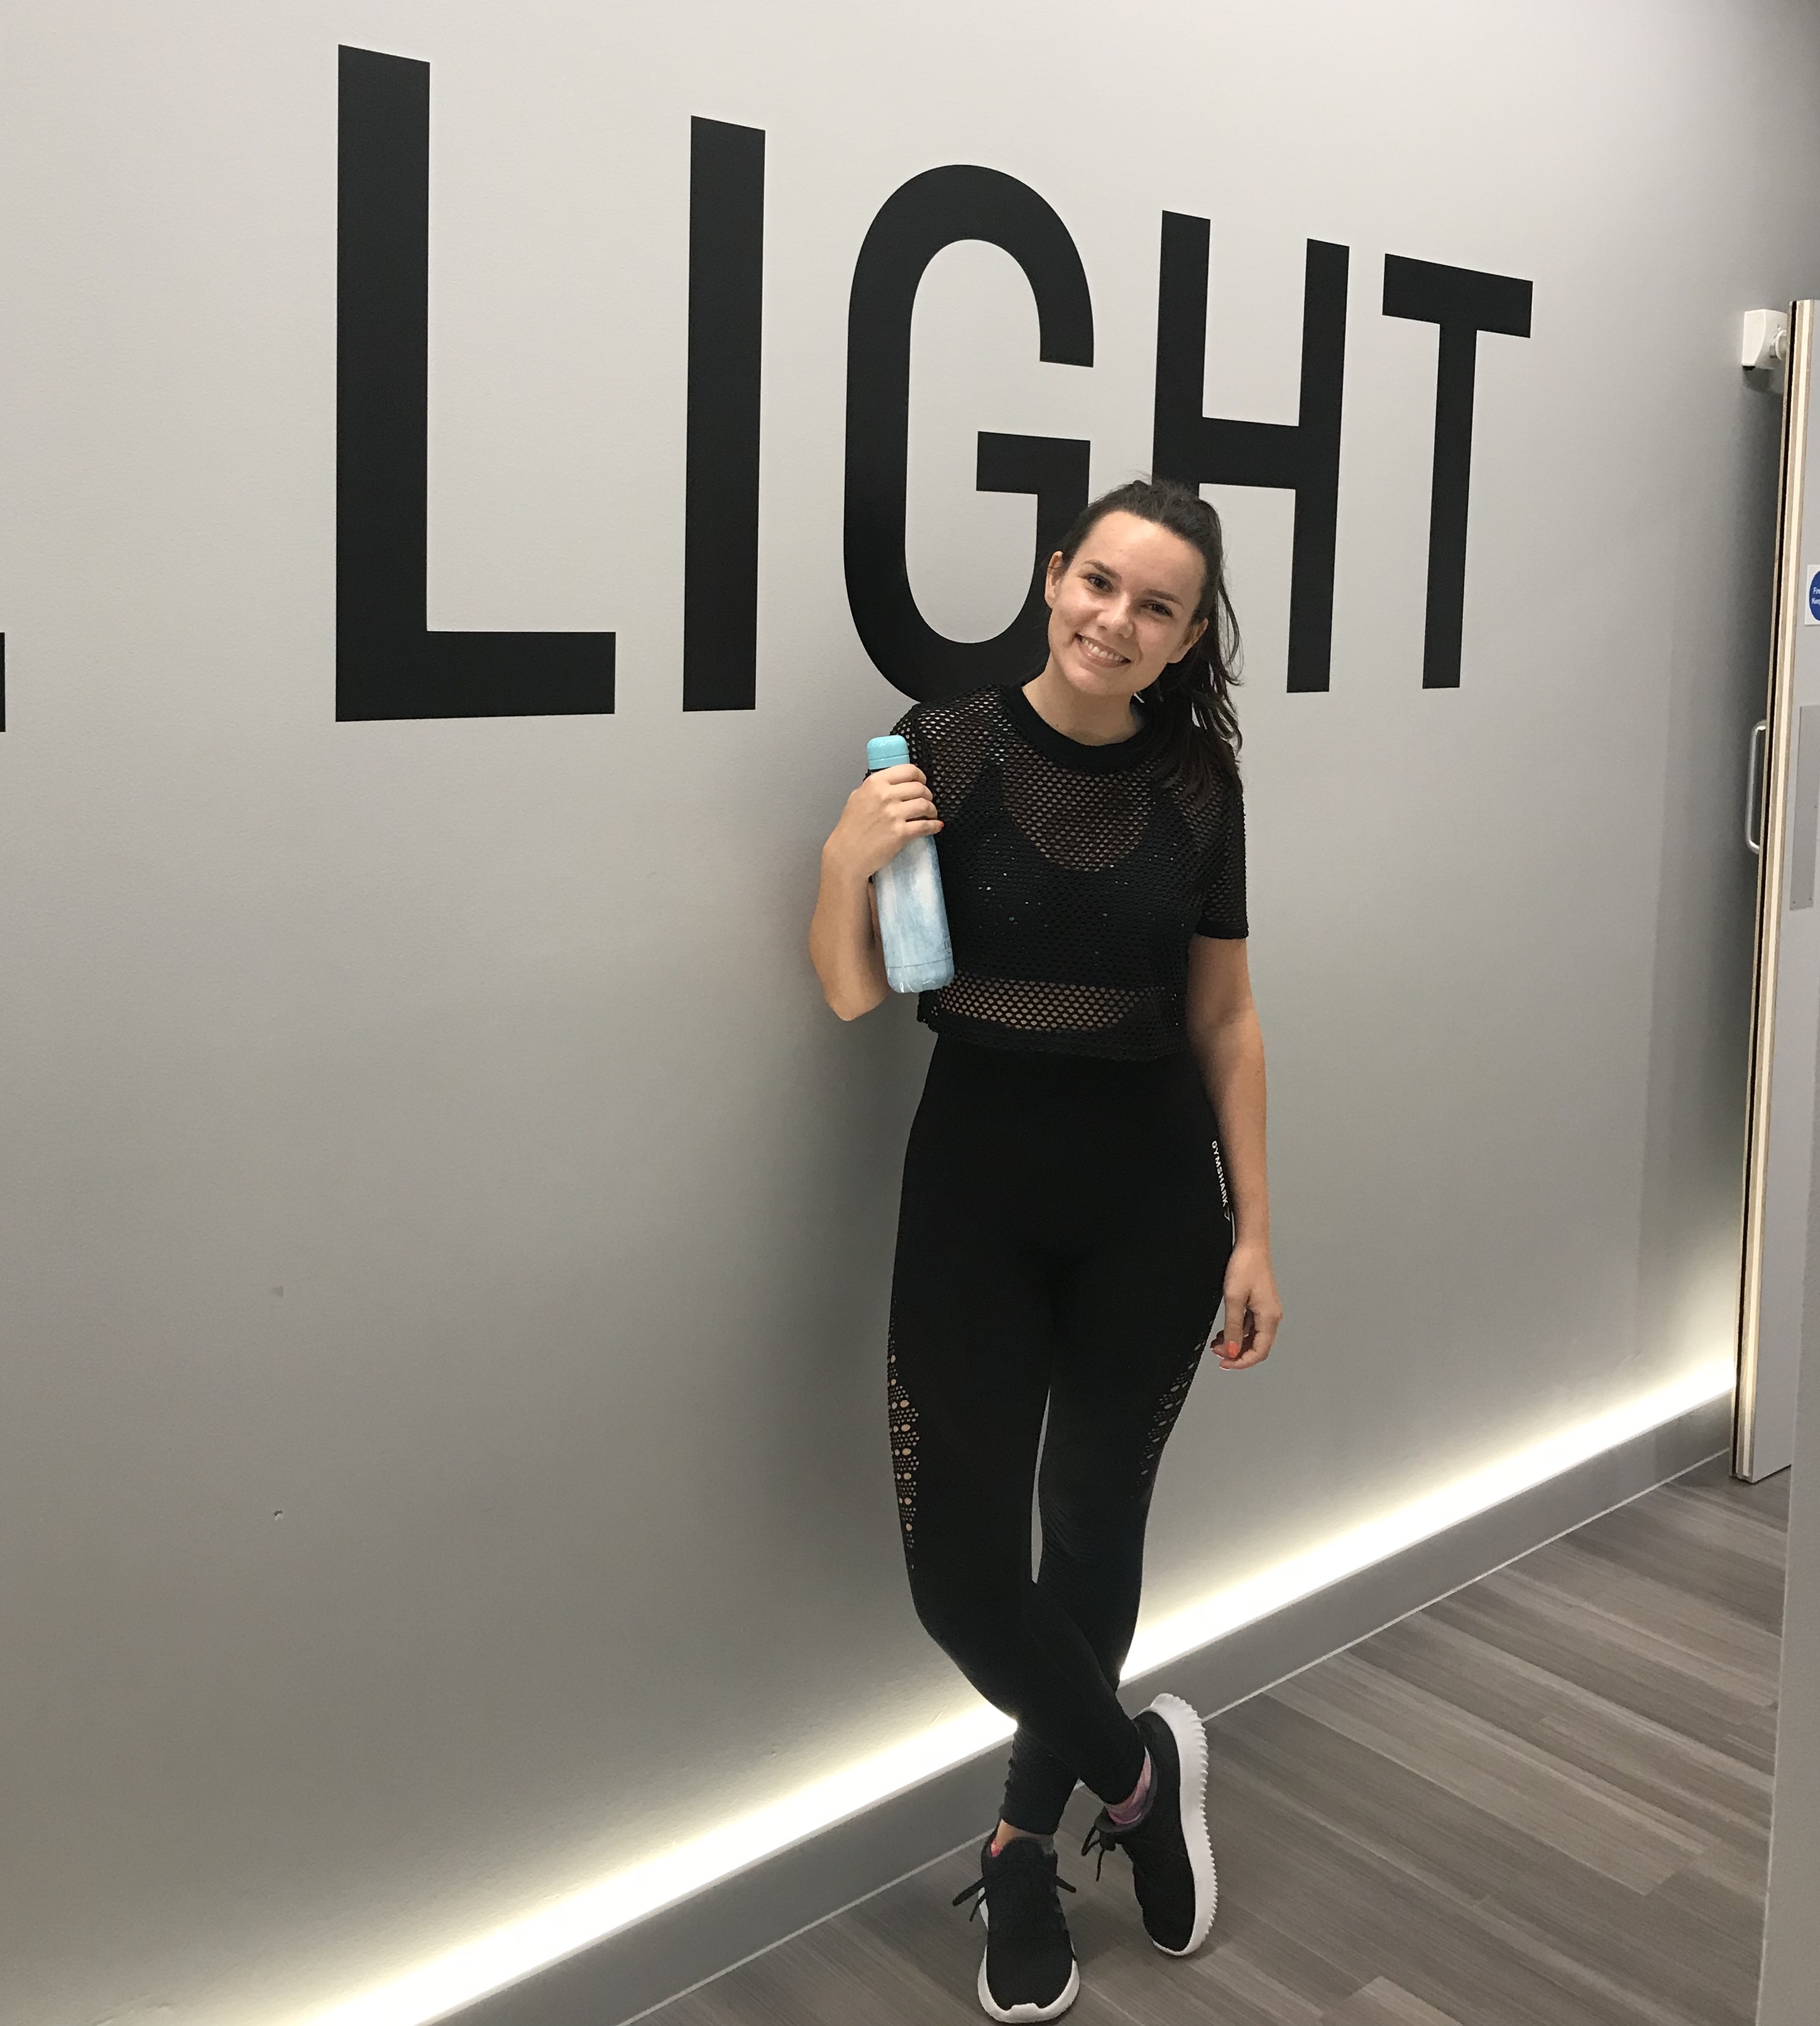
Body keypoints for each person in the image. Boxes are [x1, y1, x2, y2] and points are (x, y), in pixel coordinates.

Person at [809, 477, 1281, 2022]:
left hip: (1151, 1208)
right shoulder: (939, 745)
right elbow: (854, 990)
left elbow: (1224, 1018)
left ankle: (1021, 1849)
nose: (1114, 621)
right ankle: (1136, 1779)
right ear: (1052, 575)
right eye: (1098, 583)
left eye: (1156, 607)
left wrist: (1255, 1231)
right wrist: (841, 860)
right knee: (961, 1582)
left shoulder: (1198, 782)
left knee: (1087, 1538)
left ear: (1185, 637)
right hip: (973, 1195)